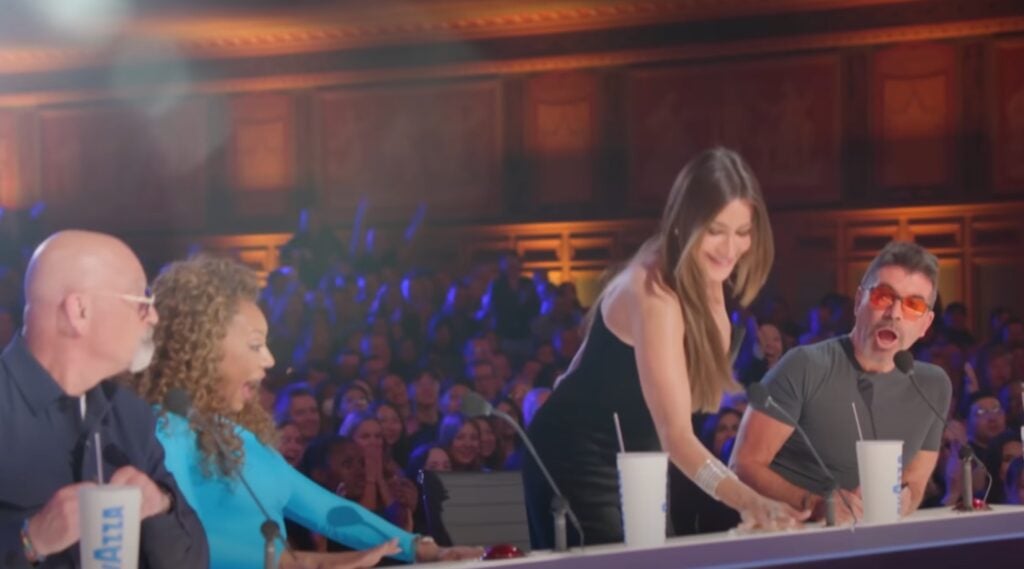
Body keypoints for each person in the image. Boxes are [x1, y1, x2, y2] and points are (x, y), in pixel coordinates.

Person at [523, 148, 806, 548]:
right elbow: (677, 437)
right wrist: (752, 503)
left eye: (742, 232)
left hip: (639, 456)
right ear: (685, 222)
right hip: (576, 456)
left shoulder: (702, 275)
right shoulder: (653, 293)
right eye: (716, 230)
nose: (731, 247)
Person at [134, 255, 482, 569]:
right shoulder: (165, 429)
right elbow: (178, 541)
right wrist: (300, 562)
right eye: (255, 345)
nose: (269, 359)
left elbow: (330, 512)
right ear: (204, 349)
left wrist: (420, 549)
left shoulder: (243, 437)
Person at [0, 230, 209, 567]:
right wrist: (30, 540)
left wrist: (159, 505)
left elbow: (194, 561)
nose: (153, 317)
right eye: (142, 302)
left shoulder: (130, 415)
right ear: (79, 310)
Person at [731, 241, 951, 524]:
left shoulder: (933, 385)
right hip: (793, 535)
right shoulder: (804, 366)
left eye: (913, 305)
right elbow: (742, 466)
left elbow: (915, 483)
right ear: (859, 301)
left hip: (878, 540)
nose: (895, 313)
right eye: (884, 296)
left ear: (925, 324)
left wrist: (905, 500)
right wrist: (815, 504)